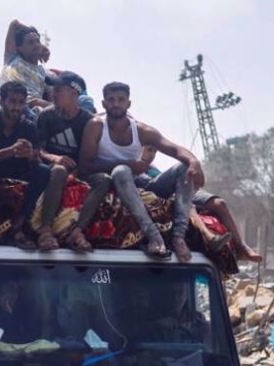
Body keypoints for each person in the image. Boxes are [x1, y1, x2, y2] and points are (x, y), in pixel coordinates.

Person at [76, 82, 205, 262]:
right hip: (112, 181)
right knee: (121, 171)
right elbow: (84, 165)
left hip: (138, 183)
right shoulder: (96, 125)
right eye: (111, 100)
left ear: (128, 104)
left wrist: (193, 162)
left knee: (183, 168)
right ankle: (153, 235)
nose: (116, 104)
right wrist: (126, 163)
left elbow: (174, 149)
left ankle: (178, 237)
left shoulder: (141, 130)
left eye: (121, 100)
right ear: (104, 104)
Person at [0, 80, 56, 251]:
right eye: (12, 102)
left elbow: (36, 158)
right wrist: (10, 151)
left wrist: (30, 154)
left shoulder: (29, 127)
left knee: (43, 171)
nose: (16, 107)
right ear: (2, 101)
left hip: (18, 171)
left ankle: (18, 225)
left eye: (21, 103)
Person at [35, 71, 92, 251]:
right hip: (50, 169)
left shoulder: (88, 120)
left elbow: (90, 156)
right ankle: (46, 228)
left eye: (59, 89)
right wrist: (55, 158)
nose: (54, 93)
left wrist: (77, 172)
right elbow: (38, 149)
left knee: (104, 180)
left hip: (79, 170)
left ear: (74, 93)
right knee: (59, 170)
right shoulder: (47, 115)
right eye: (54, 89)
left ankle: (78, 229)